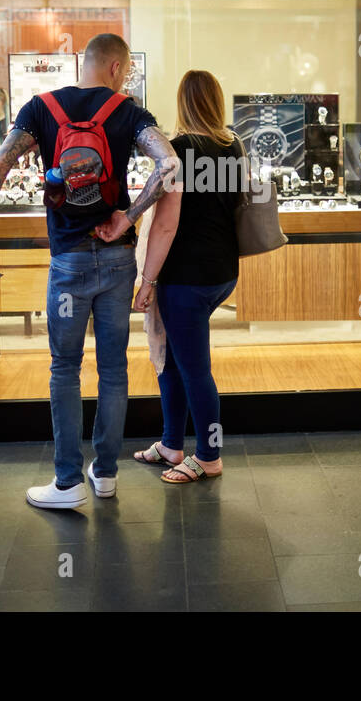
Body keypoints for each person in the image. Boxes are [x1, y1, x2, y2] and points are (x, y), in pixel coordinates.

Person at [0, 33, 179, 510]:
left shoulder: (40, 108)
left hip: (68, 260)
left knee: (65, 368)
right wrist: (128, 217)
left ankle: (68, 483)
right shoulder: (128, 113)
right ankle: (106, 474)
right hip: (117, 259)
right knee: (113, 368)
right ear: (115, 68)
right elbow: (170, 164)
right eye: (127, 70)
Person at [131, 70, 238, 484]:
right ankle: (172, 443)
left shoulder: (176, 152)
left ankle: (209, 456)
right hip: (222, 272)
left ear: (182, 102)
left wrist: (149, 280)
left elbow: (166, 225)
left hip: (186, 278)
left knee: (194, 368)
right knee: (174, 360)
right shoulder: (234, 146)